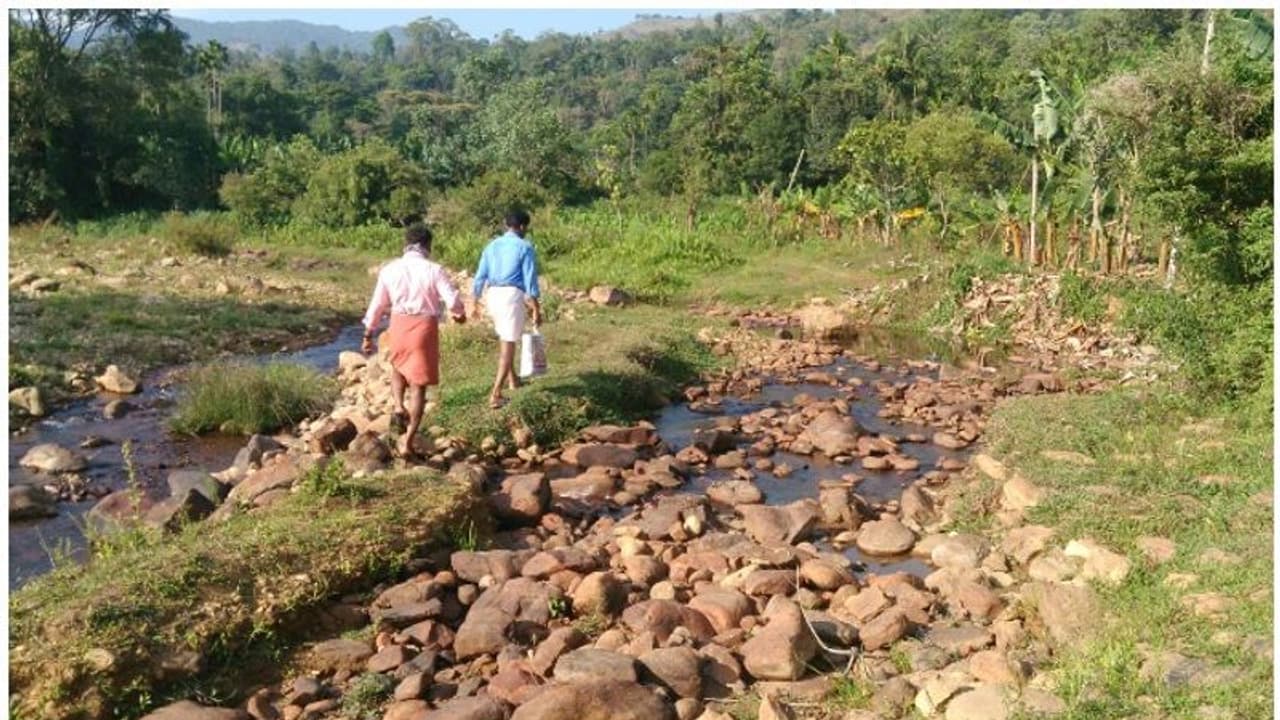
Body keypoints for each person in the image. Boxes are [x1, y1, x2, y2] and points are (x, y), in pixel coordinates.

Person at [362, 223, 465, 458]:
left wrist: (368, 334)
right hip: (424, 327)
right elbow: (452, 301)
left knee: (398, 367)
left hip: (398, 323)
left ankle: (399, 406)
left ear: (406, 243)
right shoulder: (434, 270)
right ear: (428, 245)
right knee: (419, 385)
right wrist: (459, 314)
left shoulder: (389, 270)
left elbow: (377, 305)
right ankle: (407, 441)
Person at [472, 209, 542, 409]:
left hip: (492, 294)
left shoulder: (492, 246)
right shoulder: (524, 246)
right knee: (508, 343)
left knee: (505, 337)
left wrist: (475, 300)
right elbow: (530, 279)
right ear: (523, 226)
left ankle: (513, 379)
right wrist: (536, 307)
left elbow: (480, 275)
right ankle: (496, 394)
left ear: (506, 225)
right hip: (511, 295)